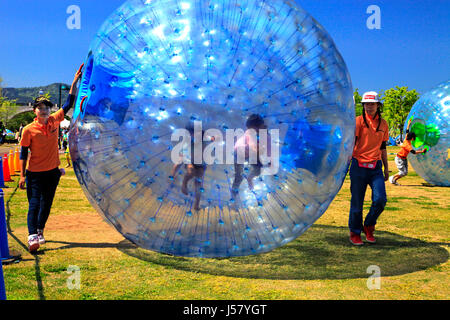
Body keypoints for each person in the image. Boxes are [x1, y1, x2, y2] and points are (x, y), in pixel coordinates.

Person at [19, 65, 83, 253]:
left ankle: (40, 231)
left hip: (52, 172)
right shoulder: (29, 130)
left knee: (46, 204)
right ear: (35, 111)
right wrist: (22, 175)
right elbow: (23, 153)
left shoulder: (55, 120)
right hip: (34, 174)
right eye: (40, 108)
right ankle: (32, 237)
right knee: (34, 203)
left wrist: (74, 81)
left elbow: (70, 103)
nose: (44, 110)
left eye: (46, 107)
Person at [349, 91, 389, 246]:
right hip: (358, 166)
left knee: (380, 200)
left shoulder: (383, 124)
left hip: (375, 168)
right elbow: (351, 143)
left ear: (378, 105)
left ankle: (369, 225)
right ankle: (355, 232)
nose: (369, 106)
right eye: (366, 104)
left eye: (372, 104)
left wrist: (386, 168)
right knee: (357, 203)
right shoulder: (358, 122)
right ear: (363, 105)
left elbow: (383, 146)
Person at [232, 114, 270, 195]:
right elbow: (254, 147)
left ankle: (249, 178)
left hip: (249, 152)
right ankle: (234, 195)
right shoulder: (250, 134)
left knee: (259, 168)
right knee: (238, 177)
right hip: (240, 152)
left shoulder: (261, 132)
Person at [389, 118, 427, 185]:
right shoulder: (407, 145)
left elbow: (407, 131)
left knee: (405, 173)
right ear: (412, 138)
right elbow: (414, 152)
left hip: (403, 158)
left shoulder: (407, 139)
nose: (414, 138)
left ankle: (394, 181)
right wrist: (422, 151)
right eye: (414, 137)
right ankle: (392, 177)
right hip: (399, 158)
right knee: (402, 173)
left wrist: (408, 124)